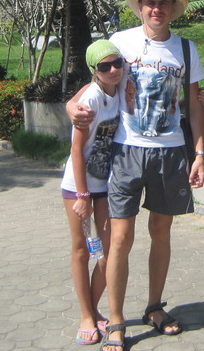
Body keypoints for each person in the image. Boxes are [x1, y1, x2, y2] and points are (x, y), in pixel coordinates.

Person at [67, 0, 204, 350]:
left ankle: (154, 308)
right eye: (150, 2)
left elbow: (195, 105)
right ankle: (115, 321)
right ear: (140, 7)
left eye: (163, 3)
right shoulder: (120, 42)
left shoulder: (187, 50)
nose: (156, 8)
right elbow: (97, 81)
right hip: (126, 153)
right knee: (120, 240)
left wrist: (200, 154)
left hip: (171, 153)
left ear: (173, 9)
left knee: (161, 232)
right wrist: (71, 104)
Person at [61, 39, 124, 345]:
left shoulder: (121, 90)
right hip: (79, 187)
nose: (113, 70)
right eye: (104, 66)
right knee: (82, 250)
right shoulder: (93, 97)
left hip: (106, 186)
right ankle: (86, 316)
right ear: (94, 71)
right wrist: (82, 196)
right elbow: (76, 149)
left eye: (117, 64)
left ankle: (95, 308)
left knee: (106, 252)